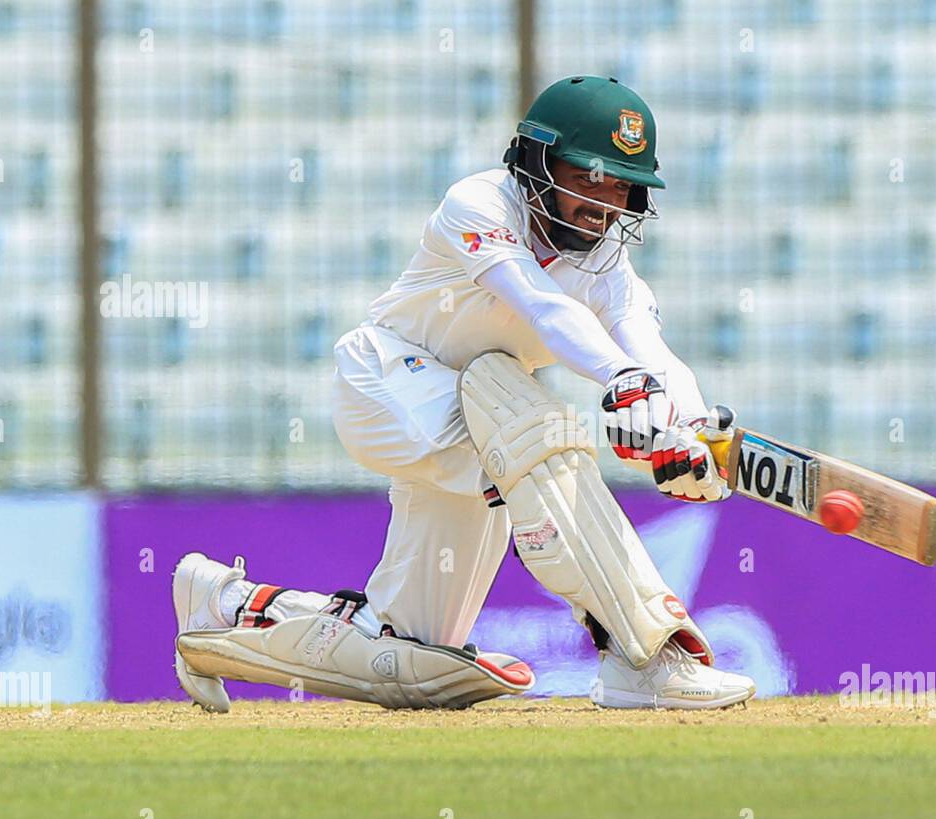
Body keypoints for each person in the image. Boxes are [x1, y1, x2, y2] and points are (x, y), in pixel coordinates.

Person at [173, 75, 757, 711]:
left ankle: (224, 604)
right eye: (586, 176)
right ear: (537, 159)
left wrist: (692, 430)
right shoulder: (478, 203)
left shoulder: (606, 267)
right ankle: (643, 655)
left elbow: (652, 351)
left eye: (620, 184)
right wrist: (621, 382)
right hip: (388, 384)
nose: (603, 200)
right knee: (536, 425)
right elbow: (542, 309)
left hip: (478, 424)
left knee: (406, 651)